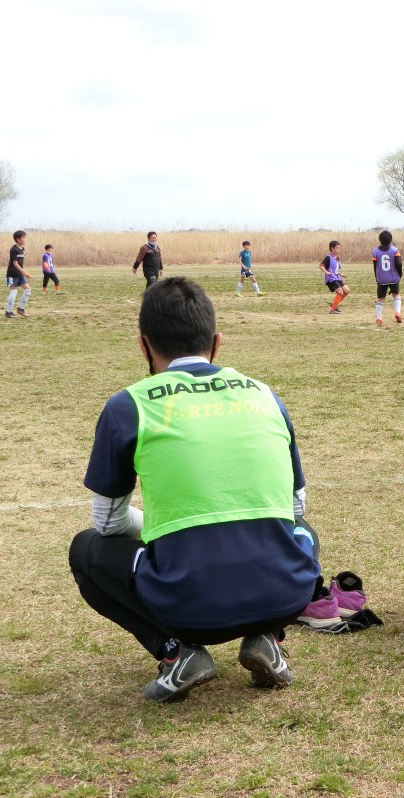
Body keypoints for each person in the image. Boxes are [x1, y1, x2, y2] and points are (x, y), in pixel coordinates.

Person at [69, 276, 322, 702]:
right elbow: (294, 508)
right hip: (284, 595)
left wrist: (163, 526)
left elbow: (108, 523)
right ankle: (269, 637)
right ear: (217, 343)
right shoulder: (266, 395)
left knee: (86, 549)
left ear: (144, 346)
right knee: (305, 532)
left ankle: (176, 651)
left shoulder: (128, 405)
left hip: (186, 606)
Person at [371, 230, 403, 325]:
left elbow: (375, 266)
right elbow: (398, 264)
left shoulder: (375, 251)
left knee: (380, 299)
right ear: (391, 240)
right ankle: (397, 312)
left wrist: (377, 277)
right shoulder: (394, 250)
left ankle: (379, 318)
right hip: (393, 278)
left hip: (381, 279)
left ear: (380, 240)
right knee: (396, 295)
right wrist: (400, 274)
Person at [5, 230, 31, 318]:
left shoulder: (22, 249)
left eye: (25, 238)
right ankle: (8, 312)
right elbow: (15, 264)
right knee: (14, 291)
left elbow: (20, 263)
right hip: (12, 274)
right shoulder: (13, 249)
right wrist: (25, 272)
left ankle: (21, 309)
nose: (25, 240)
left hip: (20, 274)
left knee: (27, 289)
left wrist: (22, 272)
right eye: (24, 238)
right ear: (18, 239)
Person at [319, 240, 349, 314]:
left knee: (347, 291)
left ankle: (334, 305)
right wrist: (326, 272)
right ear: (332, 248)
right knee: (340, 292)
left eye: (339, 248)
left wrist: (340, 274)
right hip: (331, 279)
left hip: (337, 277)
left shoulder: (337, 258)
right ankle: (332, 309)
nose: (339, 250)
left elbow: (335, 269)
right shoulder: (328, 258)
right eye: (337, 248)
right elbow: (321, 266)